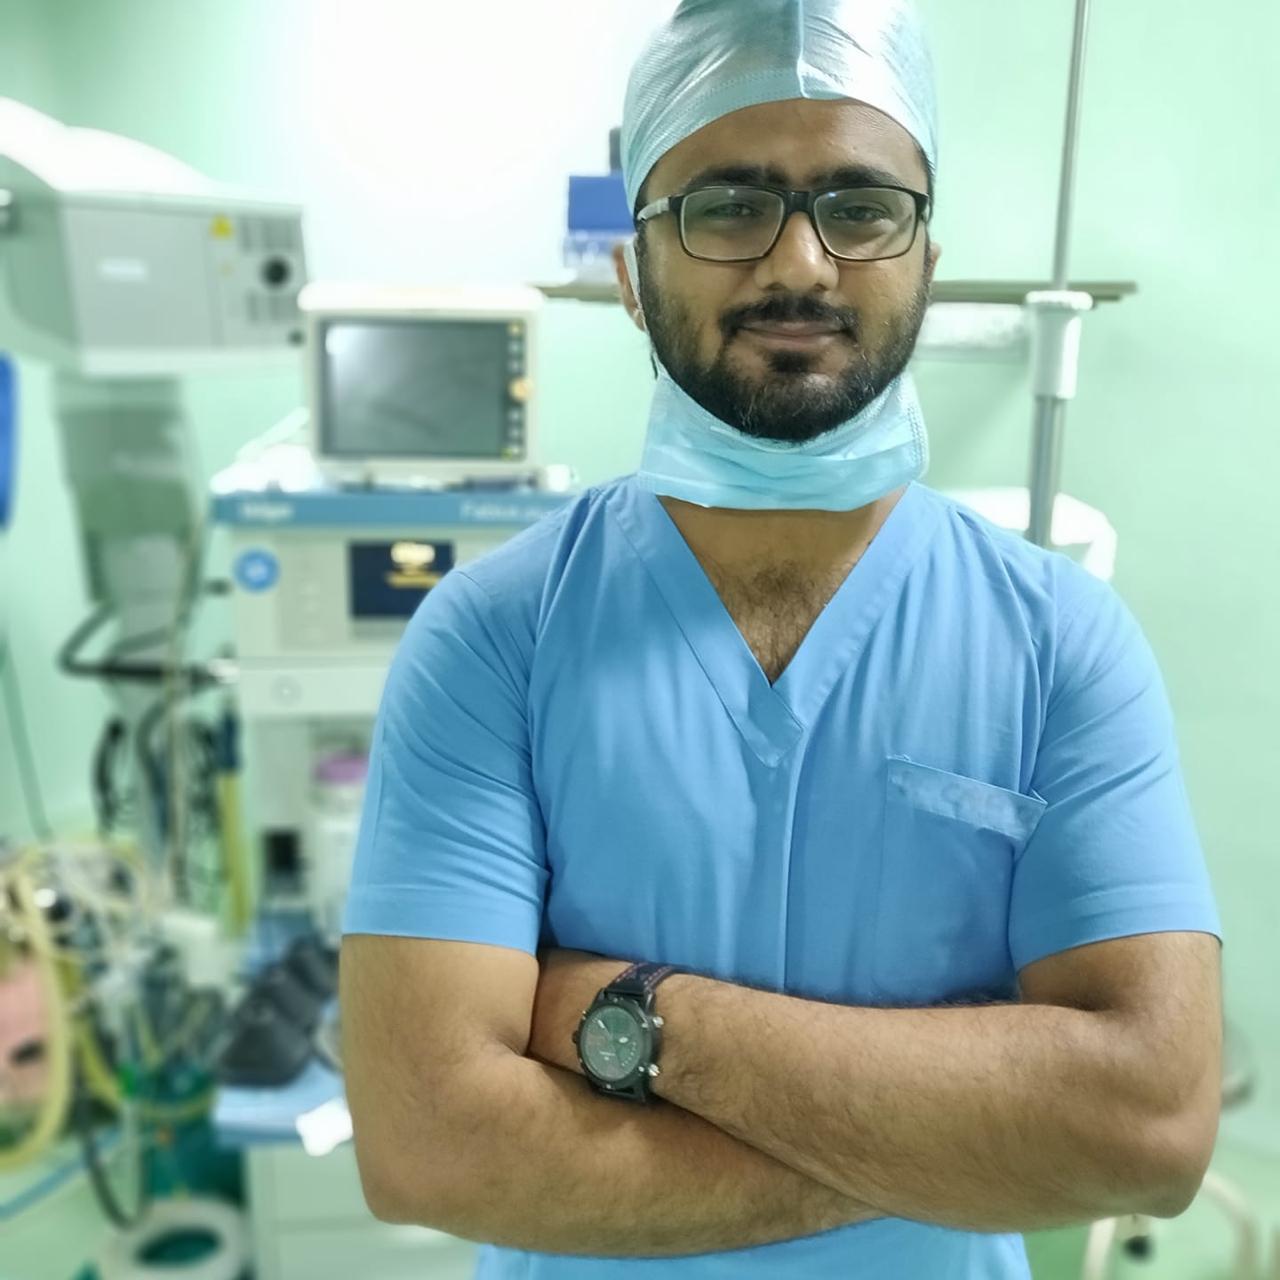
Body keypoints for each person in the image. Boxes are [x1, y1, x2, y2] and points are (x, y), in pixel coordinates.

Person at [340, 3, 1224, 1276]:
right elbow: (432, 1146)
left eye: (860, 208)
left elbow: (1146, 1130)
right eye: (727, 205)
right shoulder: (493, 640)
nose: (800, 262)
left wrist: (622, 1014)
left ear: (923, 257)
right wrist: (962, 1136)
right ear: (630, 271)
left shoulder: (1059, 643)